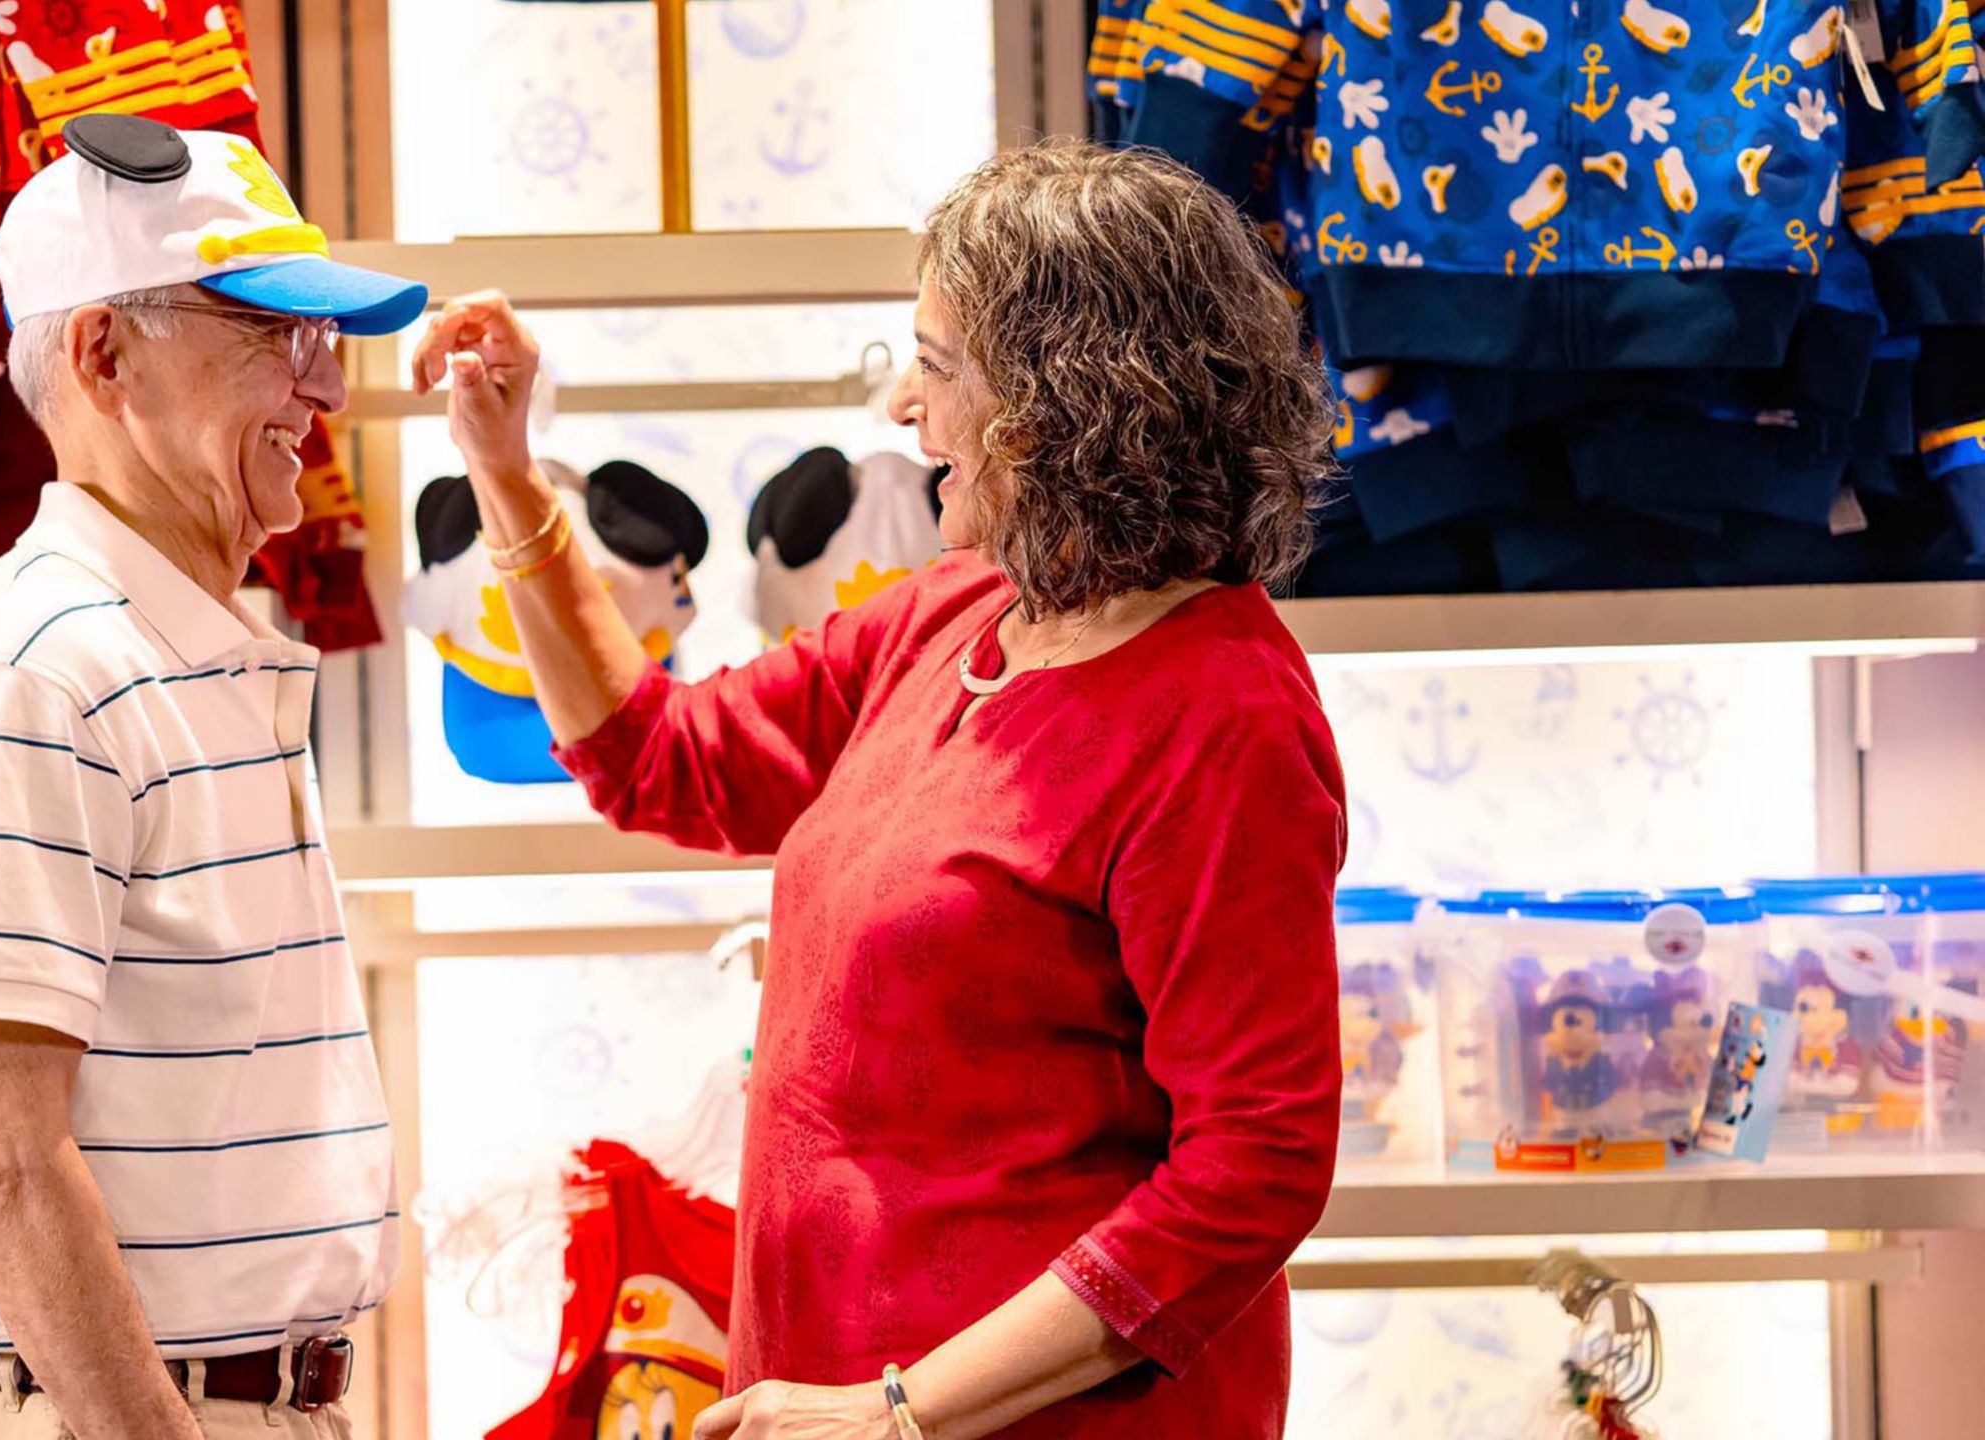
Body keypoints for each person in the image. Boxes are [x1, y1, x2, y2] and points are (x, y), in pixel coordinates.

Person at [411, 141, 1346, 1440]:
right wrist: (504, 469)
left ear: (1072, 399)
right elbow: (658, 759)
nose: (903, 407)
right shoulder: (957, 613)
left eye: (940, 364)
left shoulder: (1219, 711)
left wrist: (900, 1411)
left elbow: (1259, 1166)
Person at [0, 115, 427, 1440]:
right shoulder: (46, 672)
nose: (324, 386)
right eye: (268, 333)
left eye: (320, 337)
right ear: (105, 355)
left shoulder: (164, 653)